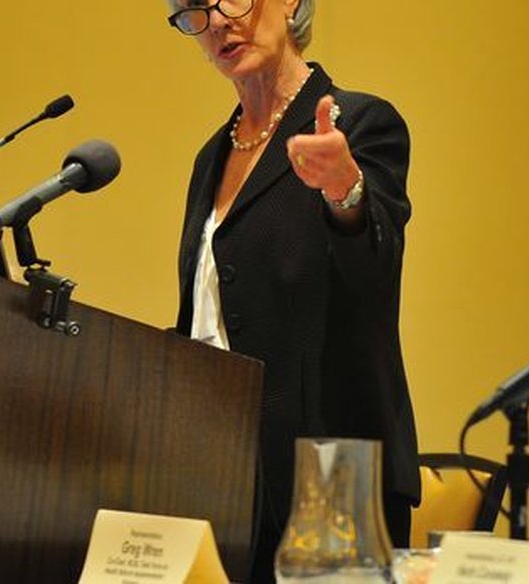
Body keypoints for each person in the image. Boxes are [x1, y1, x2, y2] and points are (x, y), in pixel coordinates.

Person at [164, 0, 420, 581]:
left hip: (330, 474)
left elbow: (376, 266)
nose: (218, 22)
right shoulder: (212, 158)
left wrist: (345, 189)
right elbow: (208, 319)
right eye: (193, 12)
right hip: (223, 478)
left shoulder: (359, 122)